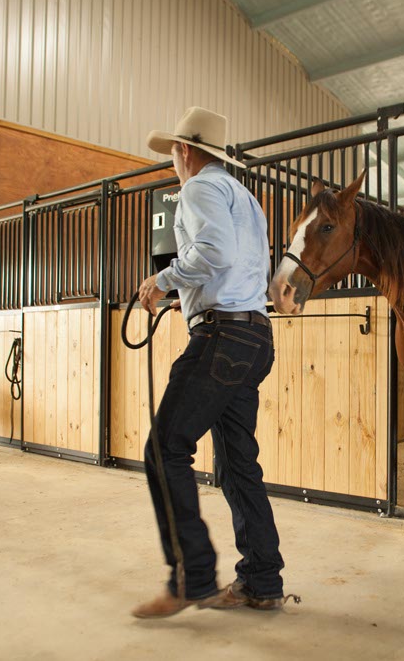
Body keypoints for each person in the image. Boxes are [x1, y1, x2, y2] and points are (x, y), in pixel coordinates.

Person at [132, 107, 286, 618]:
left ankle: (191, 577)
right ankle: (261, 581)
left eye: (173, 152)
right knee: (239, 465)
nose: (173, 160)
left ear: (184, 150)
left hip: (220, 339)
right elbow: (238, 267)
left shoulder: (197, 189)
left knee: (165, 449)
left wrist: (163, 280)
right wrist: (189, 296)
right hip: (253, 336)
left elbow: (214, 252)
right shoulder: (246, 199)